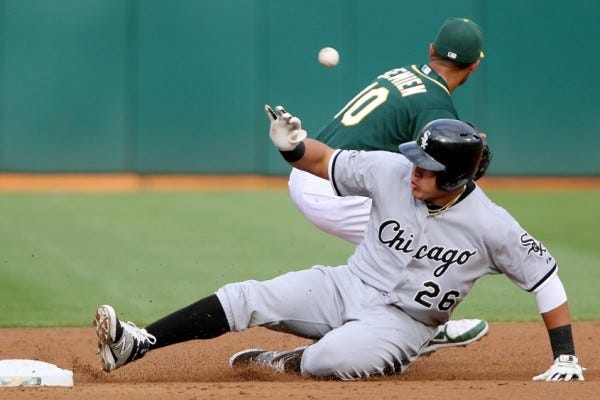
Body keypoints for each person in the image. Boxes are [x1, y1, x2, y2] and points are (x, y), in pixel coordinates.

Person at [93, 106, 585, 381]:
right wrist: (292, 146)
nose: (413, 170)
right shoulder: (391, 171)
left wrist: (564, 355)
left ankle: (286, 361)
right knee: (248, 296)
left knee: (331, 359)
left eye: (426, 168)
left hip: (403, 325)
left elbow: (546, 280)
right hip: (347, 285)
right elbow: (324, 161)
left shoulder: (491, 225)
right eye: (414, 160)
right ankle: (137, 343)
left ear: (455, 176)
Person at [288, 17, 492, 352]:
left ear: (431, 50)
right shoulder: (435, 103)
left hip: (312, 169)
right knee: (432, 236)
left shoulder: (405, 73)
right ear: (473, 67)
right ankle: (416, 328)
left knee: (405, 240)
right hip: (334, 188)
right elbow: (441, 172)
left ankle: (376, 318)